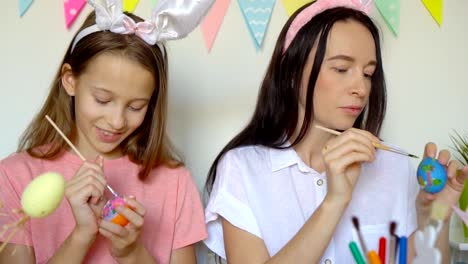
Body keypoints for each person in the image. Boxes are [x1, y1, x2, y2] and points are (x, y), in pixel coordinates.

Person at [203, 0, 468, 263]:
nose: (361, 89)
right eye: (341, 69)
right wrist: (335, 201)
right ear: (292, 73)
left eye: (368, 73)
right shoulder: (242, 170)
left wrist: (434, 217)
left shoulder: (395, 166)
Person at [0, 0, 214, 263]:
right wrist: (82, 235)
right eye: (102, 100)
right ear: (70, 80)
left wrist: (132, 253)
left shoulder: (175, 182)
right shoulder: (15, 176)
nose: (116, 121)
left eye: (136, 106)